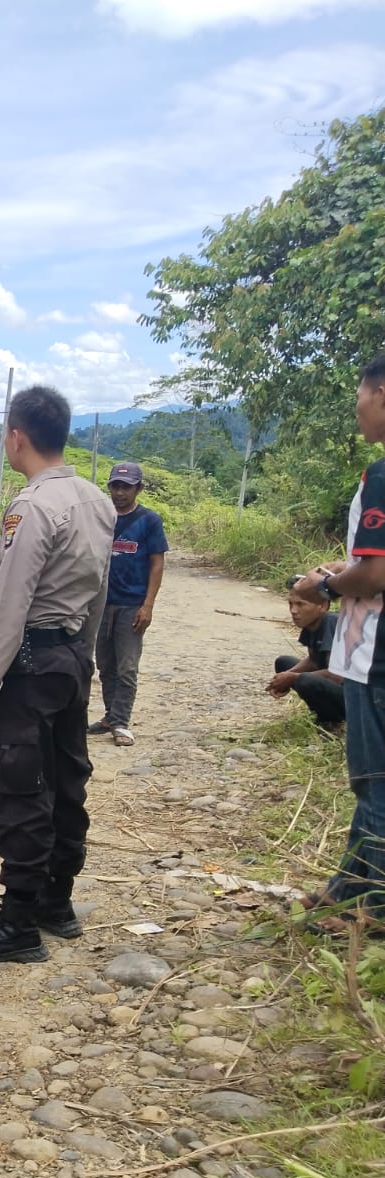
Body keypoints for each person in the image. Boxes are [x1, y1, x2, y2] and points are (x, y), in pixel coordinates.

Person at [0, 387, 116, 964]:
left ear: (16, 437)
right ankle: (56, 902)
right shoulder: (97, 501)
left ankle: (18, 923)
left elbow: (9, 603)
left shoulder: (33, 507)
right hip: (70, 658)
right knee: (67, 778)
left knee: (21, 786)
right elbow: (98, 591)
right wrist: (84, 658)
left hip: (30, 662)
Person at [290, 353, 385, 935]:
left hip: (377, 654)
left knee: (373, 781)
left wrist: (325, 583)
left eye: (360, 395)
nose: (357, 407)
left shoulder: (381, 475)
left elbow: (374, 576)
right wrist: (347, 567)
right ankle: (349, 885)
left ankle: (370, 911)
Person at [90, 463, 167, 747]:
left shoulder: (149, 521)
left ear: (139, 488)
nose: (120, 492)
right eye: (115, 486)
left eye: (127, 487)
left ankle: (121, 721)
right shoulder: (101, 517)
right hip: (100, 604)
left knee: (127, 666)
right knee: (105, 664)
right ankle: (111, 715)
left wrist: (148, 605)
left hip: (131, 604)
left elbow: (157, 564)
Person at [268, 575, 344, 726]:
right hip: (330, 683)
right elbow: (314, 660)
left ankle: (330, 720)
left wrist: (293, 678)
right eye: (291, 604)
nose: (293, 611)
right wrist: (284, 677)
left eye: (300, 604)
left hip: (353, 696)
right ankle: (321, 711)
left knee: (304, 680)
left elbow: (337, 675)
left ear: (323, 605)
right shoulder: (311, 623)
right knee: (284, 663)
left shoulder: (331, 623)